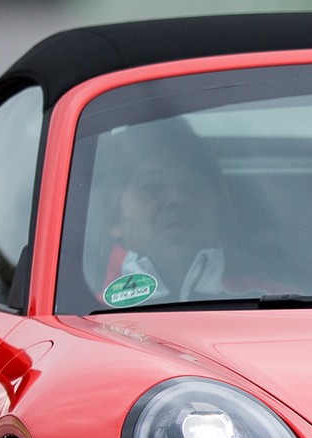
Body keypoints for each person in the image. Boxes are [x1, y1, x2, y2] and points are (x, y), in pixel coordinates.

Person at [97, 119, 254, 302]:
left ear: (216, 207)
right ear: (112, 217)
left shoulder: (274, 304)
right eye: (152, 187)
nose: (176, 199)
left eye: (192, 186)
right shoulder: (85, 313)